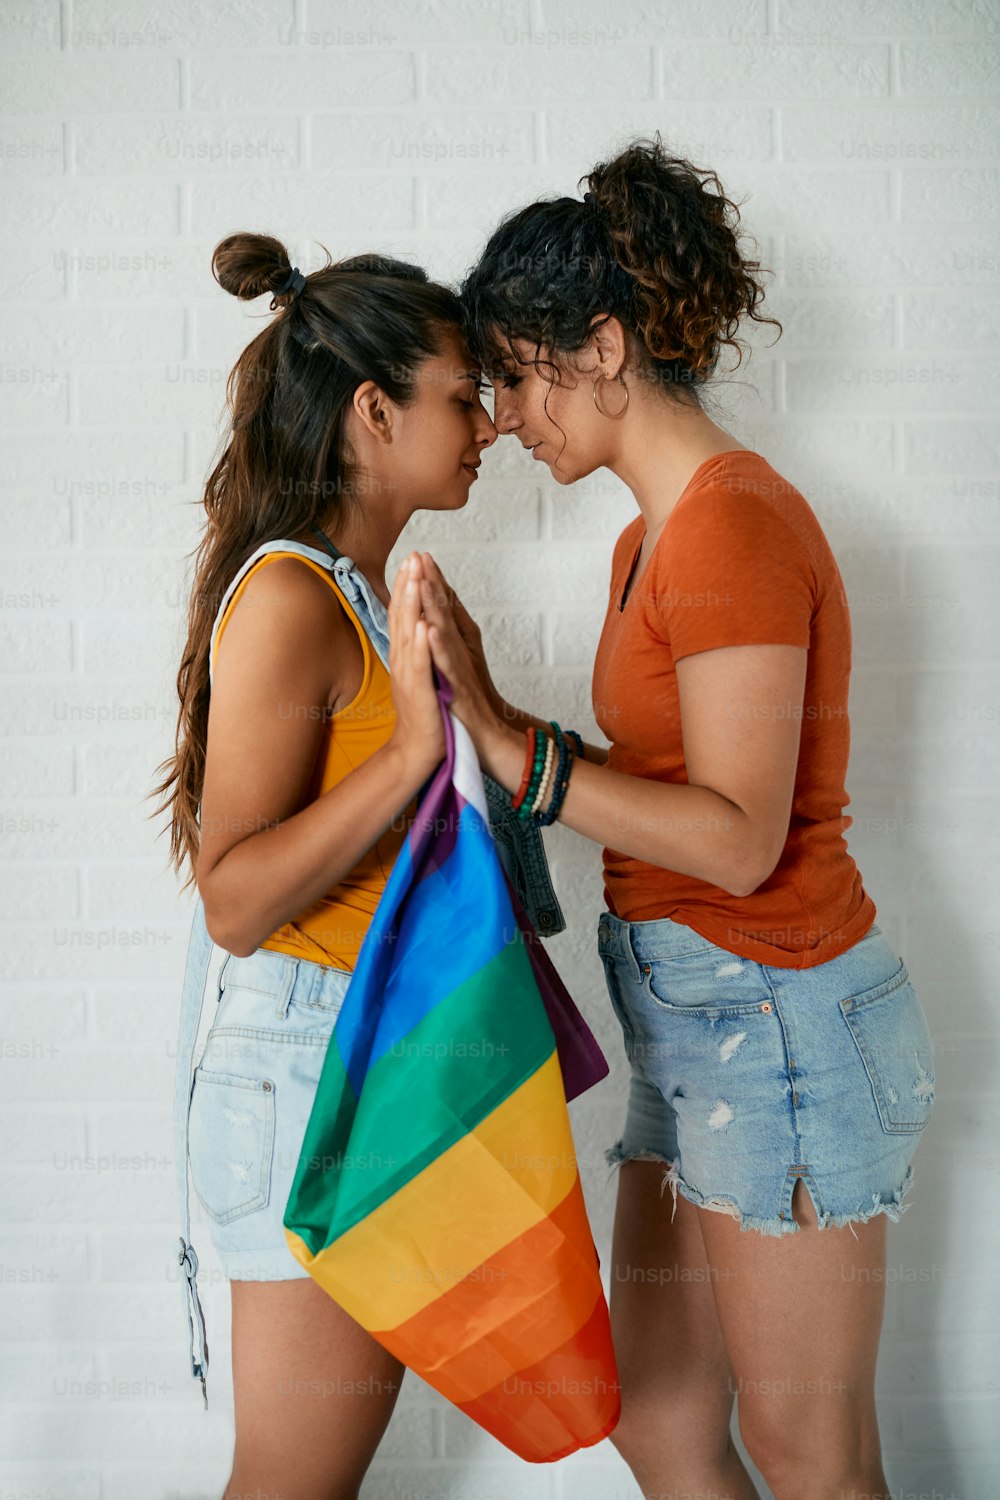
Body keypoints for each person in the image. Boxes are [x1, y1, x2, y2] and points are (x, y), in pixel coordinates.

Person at [414, 136, 937, 1500]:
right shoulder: (654, 539)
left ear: (599, 347)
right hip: (698, 1023)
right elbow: (660, 782)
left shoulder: (731, 526)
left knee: (813, 1461)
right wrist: (481, 707)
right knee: (656, 1419)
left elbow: (739, 834)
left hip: (783, 1020)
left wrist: (521, 750)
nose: (510, 421)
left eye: (520, 379)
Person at [149, 232, 562, 1499]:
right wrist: (413, 755)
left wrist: (474, 708)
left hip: (361, 1060)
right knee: (292, 1480)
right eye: (459, 395)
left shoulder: (358, 590)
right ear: (372, 413)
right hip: (298, 1071)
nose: (489, 422)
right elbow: (232, 899)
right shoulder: (289, 599)